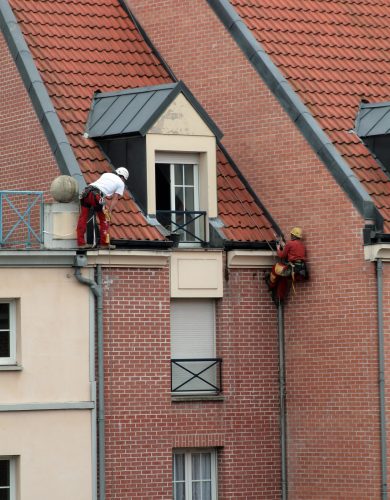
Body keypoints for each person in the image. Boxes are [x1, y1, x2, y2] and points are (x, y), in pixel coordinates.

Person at [76, 167, 129, 248]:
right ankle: (104, 243)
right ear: (122, 177)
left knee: (82, 218)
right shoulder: (121, 183)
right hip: (96, 195)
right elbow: (115, 199)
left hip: (86, 192)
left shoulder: (106, 174)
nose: (123, 181)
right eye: (124, 179)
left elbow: (102, 186)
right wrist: (109, 212)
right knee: (105, 219)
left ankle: (81, 243)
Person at [265, 227, 307, 304]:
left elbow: (282, 255)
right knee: (282, 278)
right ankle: (280, 298)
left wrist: (278, 249)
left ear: (293, 235)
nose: (291, 236)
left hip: (292, 269)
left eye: (291, 234)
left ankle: (270, 284)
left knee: (276, 267)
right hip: (301, 270)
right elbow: (293, 253)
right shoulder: (302, 246)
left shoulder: (290, 244)